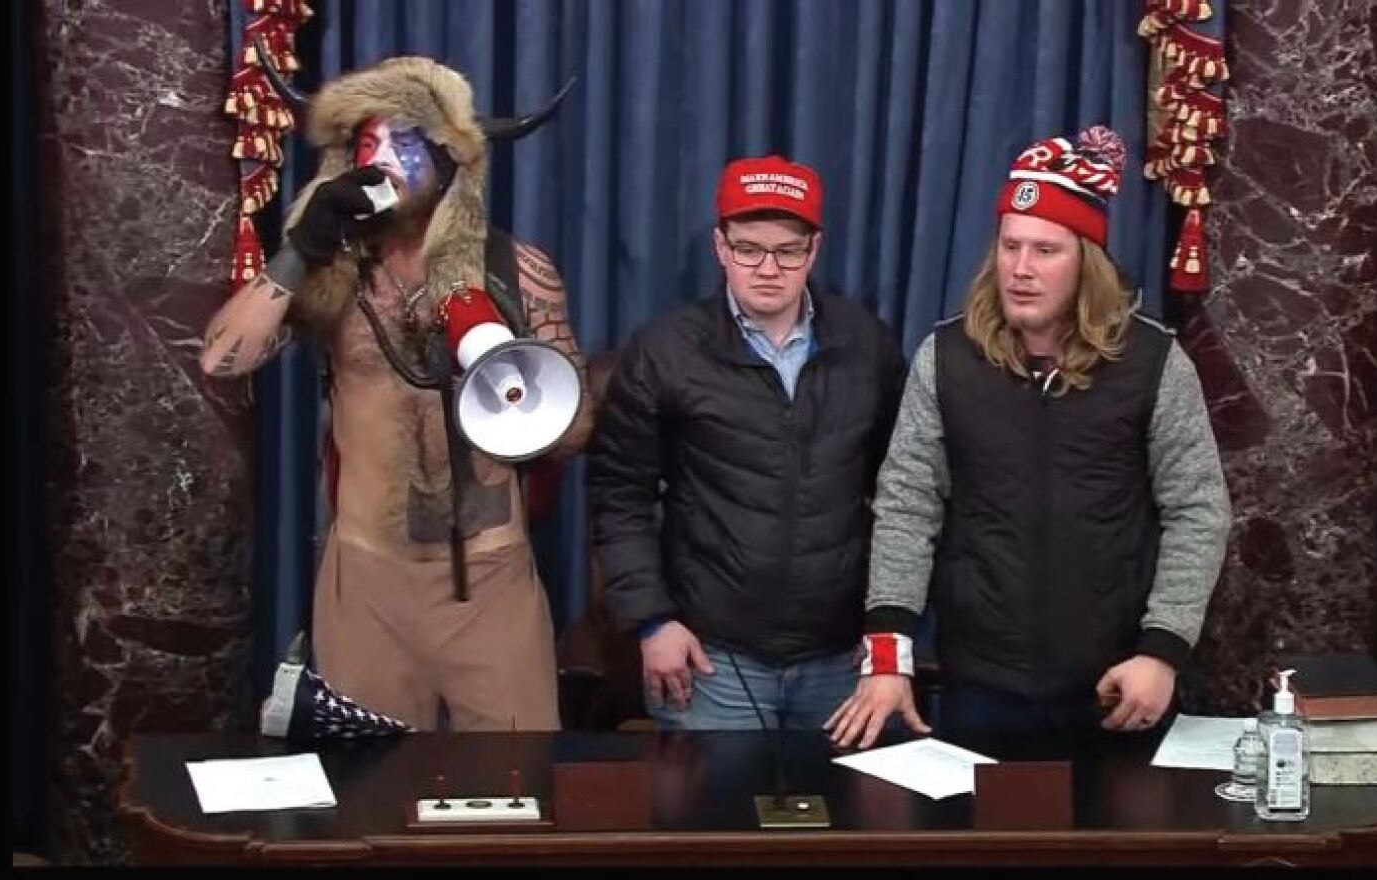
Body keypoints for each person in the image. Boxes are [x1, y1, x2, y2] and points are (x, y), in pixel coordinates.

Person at [200, 55, 590, 731]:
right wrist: (300, 249)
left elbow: (577, 427)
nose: (381, 159)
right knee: (367, 807)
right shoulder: (330, 278)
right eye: (367, 143)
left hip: (490, 581)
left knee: (518, 800)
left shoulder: (517, 270)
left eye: (405, 142)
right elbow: (222, 359)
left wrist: (505, 382)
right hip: (368, 583)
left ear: (448, 162)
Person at [826, 127, 1233, 748]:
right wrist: (889, 651)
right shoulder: (947, 357)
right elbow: (907, 506)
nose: (1020, 269)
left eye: (1046, 251)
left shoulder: (1154, 362)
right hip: (981, 683)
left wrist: (1164, 650)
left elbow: (1199, 511)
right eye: (1010, 246)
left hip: (1117, 682)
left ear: (1087, 262)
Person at [588, 154, 906, 730]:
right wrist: (652, 621)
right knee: (713, 820)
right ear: (719, 247)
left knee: (848, 818)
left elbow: (904, 498)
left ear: (814, 250)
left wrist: (887, 639)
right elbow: (619, 496)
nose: (767, 268)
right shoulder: (665, 351)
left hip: (840, 658)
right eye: (747, 248)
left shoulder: (867, 346)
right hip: (711, 658)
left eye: (787, 251)